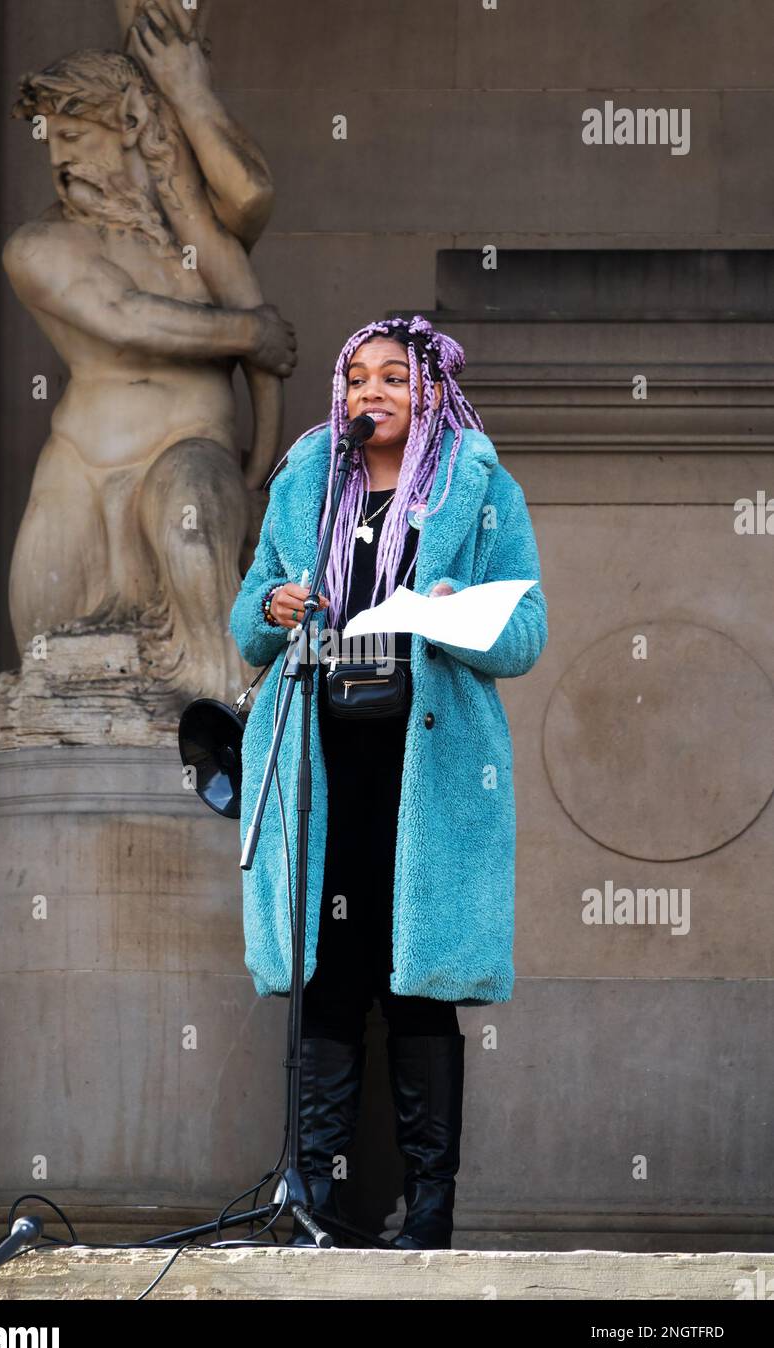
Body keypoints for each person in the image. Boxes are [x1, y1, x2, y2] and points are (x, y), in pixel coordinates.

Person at [229, 314, 548, 1249]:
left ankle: (430, 1215)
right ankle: (314, 1209)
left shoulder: (478, 488)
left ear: (431, 392)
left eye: (395, 380)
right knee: (325, 973)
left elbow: (525, 636)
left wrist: (452, 617)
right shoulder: (304, 483)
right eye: (359, 379)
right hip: (321, 763)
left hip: (427, 761)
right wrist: (277, 602)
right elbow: (249, 623)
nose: (372, 394)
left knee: (416, 983)